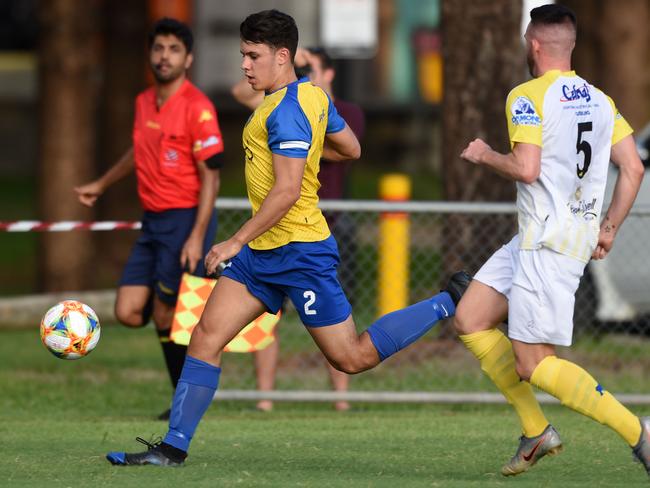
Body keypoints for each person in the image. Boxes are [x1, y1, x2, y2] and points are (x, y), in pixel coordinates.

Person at [106, 9, 469, 466]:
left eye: (252, 56)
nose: (243, 65)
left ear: (282, 56)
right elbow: (352, 148)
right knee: (205, 338)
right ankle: (172, 448)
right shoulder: (311, 96)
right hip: (262, 255)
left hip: (300, 253)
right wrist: (315, 154)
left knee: (351, 358)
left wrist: (232, 241)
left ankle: (449, 300)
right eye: (242, 54)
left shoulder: (289, 111)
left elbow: (287, 191)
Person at [455, 4, 649, 478]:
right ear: (570, 46)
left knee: (534, 365)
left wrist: (484, 155)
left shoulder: (527, 95)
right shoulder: (601, 100)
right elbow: (635, 167)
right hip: (541, 237)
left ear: (534, 45)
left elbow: (526, 168)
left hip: (549, 244)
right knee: (470, 317)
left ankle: (639, 433)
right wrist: (608, 229)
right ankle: (536, 430)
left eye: (526, 42)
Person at [75, 18, 225, 420]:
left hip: (184, 220)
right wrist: (101, 184)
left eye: (174, 49)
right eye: (158, 48)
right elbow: (137, 151)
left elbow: (212, 175)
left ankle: (185, 400)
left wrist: (197, 237)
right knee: (128, 311)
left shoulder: (198, 107)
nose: (164, 56)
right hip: (152, 222)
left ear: (188, 58)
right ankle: (182, 320)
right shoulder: (144, 102)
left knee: (163, 312)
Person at [232, 46, 366, 412]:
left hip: (322, 229)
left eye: (311, 67)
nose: (304, 71)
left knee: (340, 339)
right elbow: (240, 93)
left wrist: (302, 139)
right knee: (259, 323)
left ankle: (340, 399)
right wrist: (283, 68)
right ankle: (264, 398)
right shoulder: (275, 105)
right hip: (273, 232)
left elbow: (351, 149)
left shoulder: (328, 107)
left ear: (329, 73)